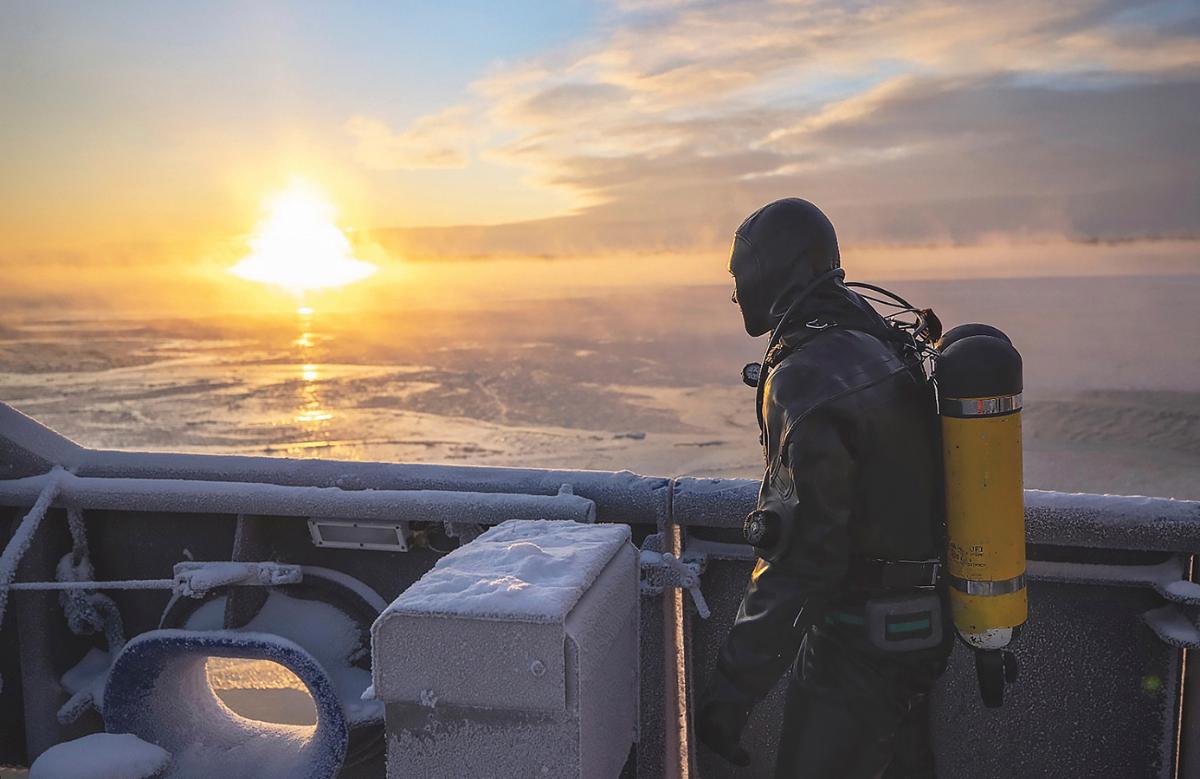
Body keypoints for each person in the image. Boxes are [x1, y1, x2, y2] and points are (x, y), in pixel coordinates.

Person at [696, 198, 952, 778]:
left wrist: (730, 694)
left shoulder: (803, 378)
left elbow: (801, 560)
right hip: (919, 626)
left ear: (774, 273)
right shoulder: (877, 337)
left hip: (856, 643)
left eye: (742, 274)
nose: (737, 291)